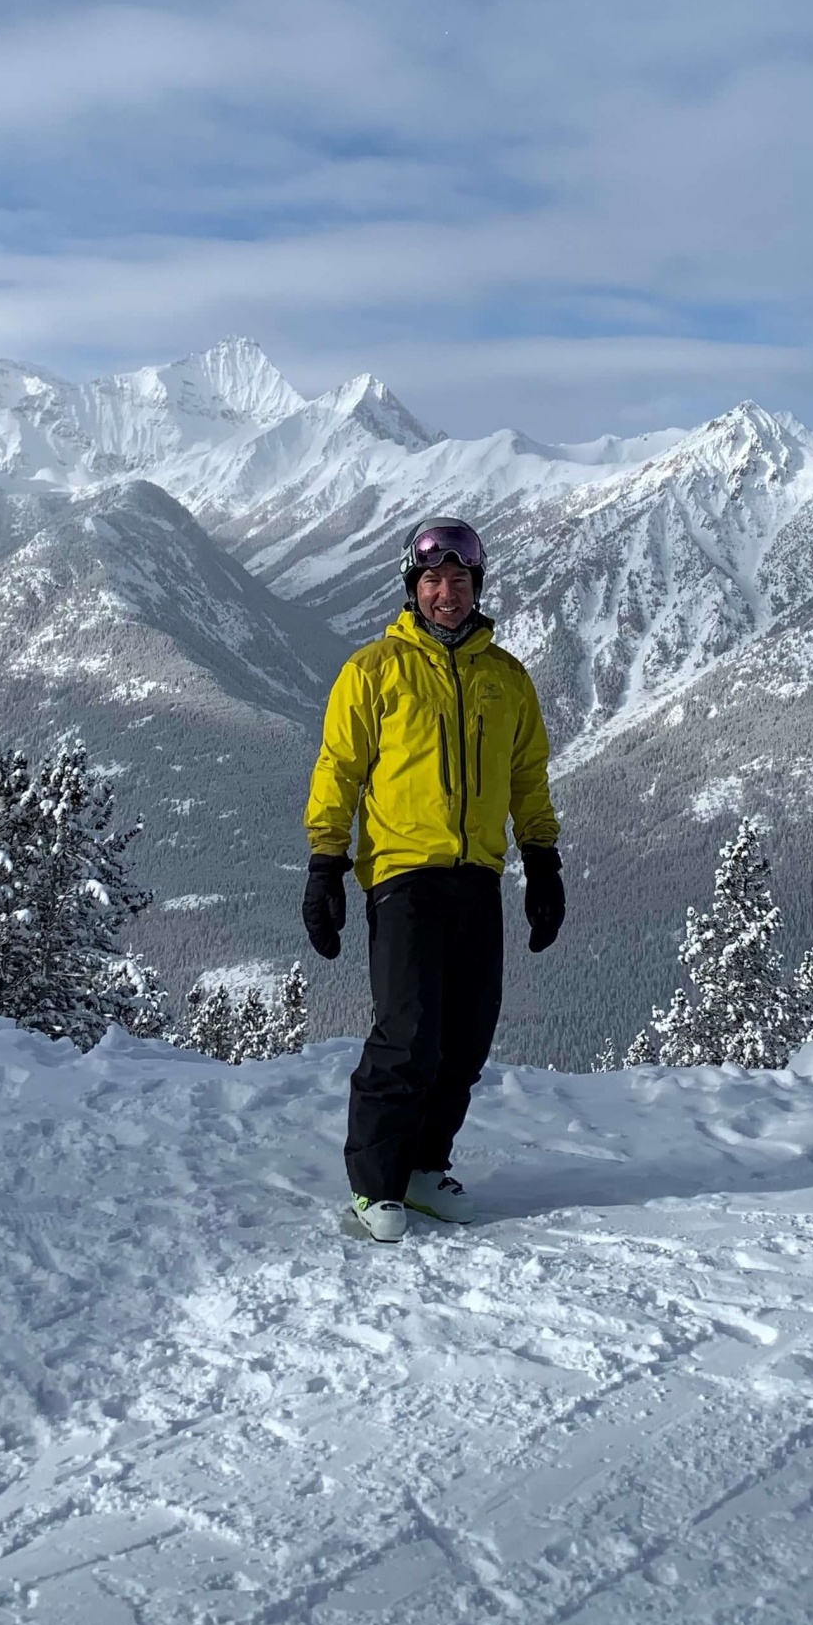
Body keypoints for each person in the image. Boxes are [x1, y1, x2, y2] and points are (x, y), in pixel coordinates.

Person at [301, 518, 564, 1242]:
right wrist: (326, 863)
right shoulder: (375, 670)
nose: (444, 592)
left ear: (476, 588)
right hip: (402, 874)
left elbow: (526, 778)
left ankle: (422, 1168)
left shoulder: (506, 679)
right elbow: (339, 772)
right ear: (412, 590)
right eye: (431, 581)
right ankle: (376, 1183)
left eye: (457, 580)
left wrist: (543, 860)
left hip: (477, 875)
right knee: (408, 1032)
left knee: (465, 1038)